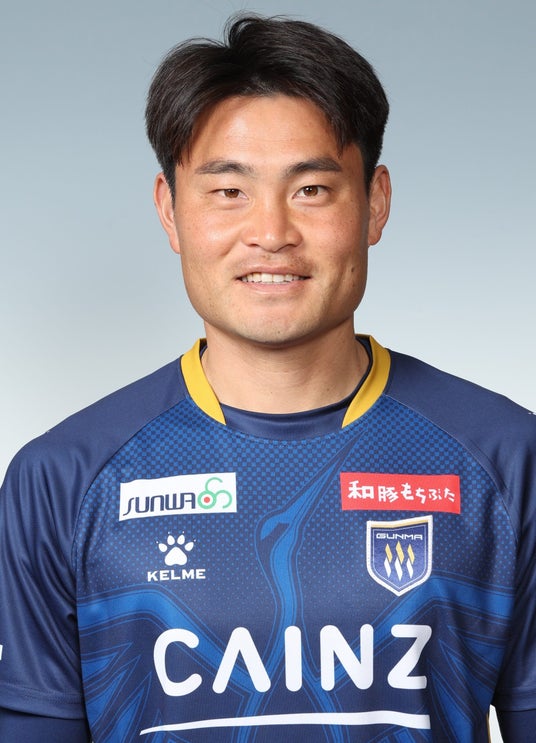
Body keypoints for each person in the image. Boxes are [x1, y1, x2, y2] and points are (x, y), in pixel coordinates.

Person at [0, 14, 534, 743]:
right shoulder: (61, 479)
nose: (272, 232)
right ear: (169, 210)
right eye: (228, 192)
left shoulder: (506, 459)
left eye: (311, 189)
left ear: (374, 202)